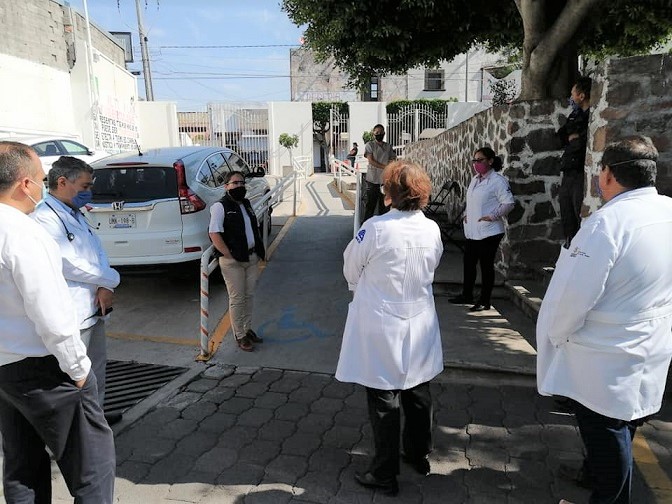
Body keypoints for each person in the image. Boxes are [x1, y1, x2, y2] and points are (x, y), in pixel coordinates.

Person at [536, 136, 672, 504]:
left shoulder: (605, 225)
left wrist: (555, 335)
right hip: (649, 343)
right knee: (624, 424)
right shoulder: (667, 210)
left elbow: (575, 297)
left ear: (608, 175)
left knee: (607, 431)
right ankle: (592, 476)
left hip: (604, 357)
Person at [0, 141, 115, 503]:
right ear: (24, 184)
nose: (42, 185)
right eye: (39, 178)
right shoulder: (24, 233)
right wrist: (79, 371)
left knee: (23, 465)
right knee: (92, 467)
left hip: (5, 369)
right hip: (44, 368)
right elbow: (50, 312)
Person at [336, 160, 444, 496]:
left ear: (390, 193)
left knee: (384, 397)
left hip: (381, 322)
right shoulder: (432, 229)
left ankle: (384, 473)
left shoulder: (376, 228)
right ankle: (418, 454)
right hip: (420, 320)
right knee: (417, 391)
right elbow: (434, 265)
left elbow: (350, 269)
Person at [32, 156, 121, 421]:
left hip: (94, 307)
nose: (88, 192)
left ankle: (97, 418)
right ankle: (80, 430)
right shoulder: (44, 218)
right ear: (62, 182)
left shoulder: (75, 213)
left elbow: (97, 252)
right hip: (73, 314)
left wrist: (105, 283)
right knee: (75, 376)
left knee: (96, 370)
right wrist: (111, 279)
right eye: (84, 187)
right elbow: (67, 263)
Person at [449, 147, 514, 312]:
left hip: (489, 231)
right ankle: (467, 294)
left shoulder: (498, 181)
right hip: (473, 230)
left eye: (480, 160)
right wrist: (466, 214)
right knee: (468, 263)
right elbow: (471, 200)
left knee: (485, 266)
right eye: (474, 161)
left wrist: (493, 215)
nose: (476, 164)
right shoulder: (475, 179)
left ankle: (485, 300)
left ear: (490, 161)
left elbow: (508, 203)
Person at [208, 170, 266, 352]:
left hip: (251, 257)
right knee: (237, 299)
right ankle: (239, 335)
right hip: (233, 261)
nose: (239, 186)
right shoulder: (220, 206)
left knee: (249, 296)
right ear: (226, 187)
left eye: (241, 183)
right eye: (235, 183)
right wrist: (227, 254)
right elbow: (214, 233)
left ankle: (247, 329)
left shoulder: (246, 203)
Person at [557, 76, 591, 246]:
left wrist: (576, 139)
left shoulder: (591, 116)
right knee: (567, 214)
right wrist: (572, 138)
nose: (571, 97)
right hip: (569, 169)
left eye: (573, 94)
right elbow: (561, 136)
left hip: (580, 171)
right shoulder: (575, 114)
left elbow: (581, 141)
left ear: (581, 96)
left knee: (579, 212)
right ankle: (571, 248)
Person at [363, 124, 396, 222]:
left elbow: (392, 158)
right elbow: (371, 160)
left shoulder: (388, 146)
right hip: (372, 180)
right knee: (370, 206)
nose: (379, 134)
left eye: (381, 132)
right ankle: (365, 227)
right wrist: (385, 167)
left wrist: (390, 166)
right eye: (377, 132)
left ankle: (383, 227)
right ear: (373, 134)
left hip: (385, 181)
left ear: (384, 133)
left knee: (384, 206)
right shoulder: (370, 145)